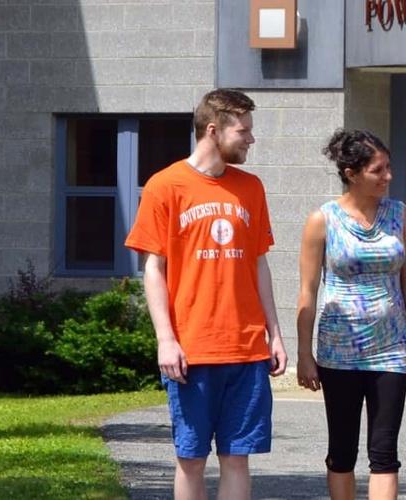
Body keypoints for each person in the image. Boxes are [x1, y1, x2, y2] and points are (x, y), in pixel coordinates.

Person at [124, 88, 288, 500]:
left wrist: (275, 333)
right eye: (244, 130)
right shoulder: (165, 186)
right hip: (192, 348)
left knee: (237, 457)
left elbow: (258, 264)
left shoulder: (251, 188)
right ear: (213, 131)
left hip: (246, 347)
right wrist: (166, 339)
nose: (251, 138)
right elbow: (153, 269)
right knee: (191, 458)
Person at [294, 128, 406, 500]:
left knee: (385, 453)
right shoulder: (322, 221)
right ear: (351, 173)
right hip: (339, 353)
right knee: (342, 451)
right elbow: (307, 290)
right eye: (378, 170)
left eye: (388, 168)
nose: (388, 176)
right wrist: (305, 355)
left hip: (391, 348)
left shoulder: (400, 214)